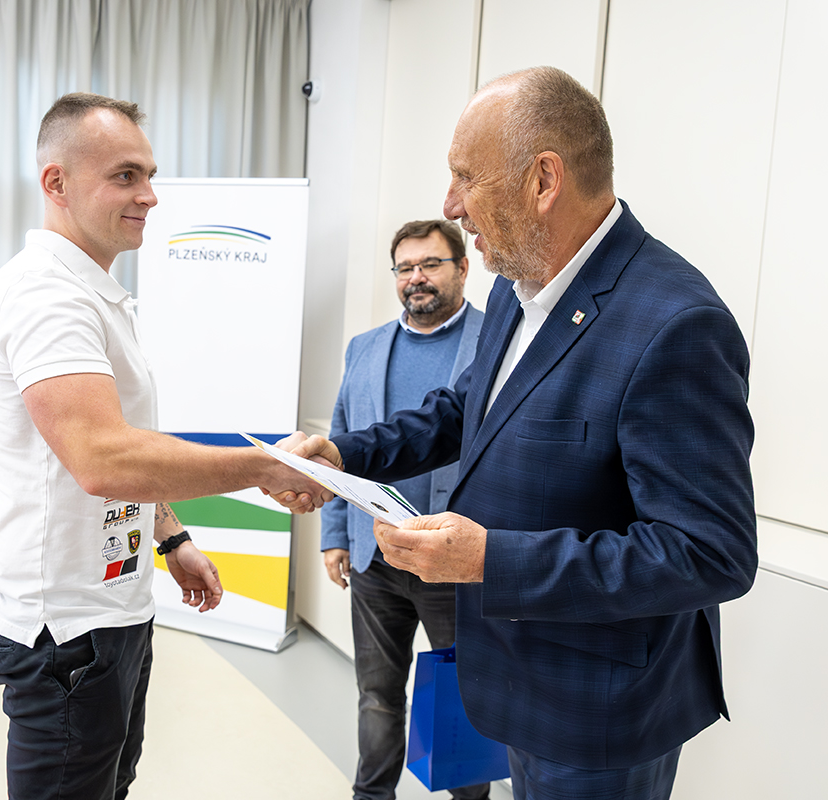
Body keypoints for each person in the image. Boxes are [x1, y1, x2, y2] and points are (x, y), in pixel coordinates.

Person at [283, 67, 757, 800]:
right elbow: (464, 410)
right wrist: (346, 452)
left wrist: (488, 559)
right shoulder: (517, 287)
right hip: (513, 679)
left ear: (543, 180)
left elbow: (710, 553)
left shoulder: (675, 324)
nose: (450, 204)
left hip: (598, 716)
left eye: (466, 177)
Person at [0, 92, 328, 800]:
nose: (151, 196)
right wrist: (267, 465)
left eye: (150, 175)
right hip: (65, 630)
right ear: (57, 183)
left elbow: (120, 449)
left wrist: (171, 538)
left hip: (115, 609)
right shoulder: (46, 298)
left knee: (110, 784)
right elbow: (103, 460)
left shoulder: (92, 292)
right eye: (125, 176)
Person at [322, 219, 486, 800]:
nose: (416, 277)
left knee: (465, 697)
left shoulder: (495, 344)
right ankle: (372, 795)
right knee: (377, 695)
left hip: (453, 561)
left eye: (430, 264)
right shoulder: (364, 348)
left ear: (462, 268)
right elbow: (342, 437)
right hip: (375, 558)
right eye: (405, 267)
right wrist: (335, 535)